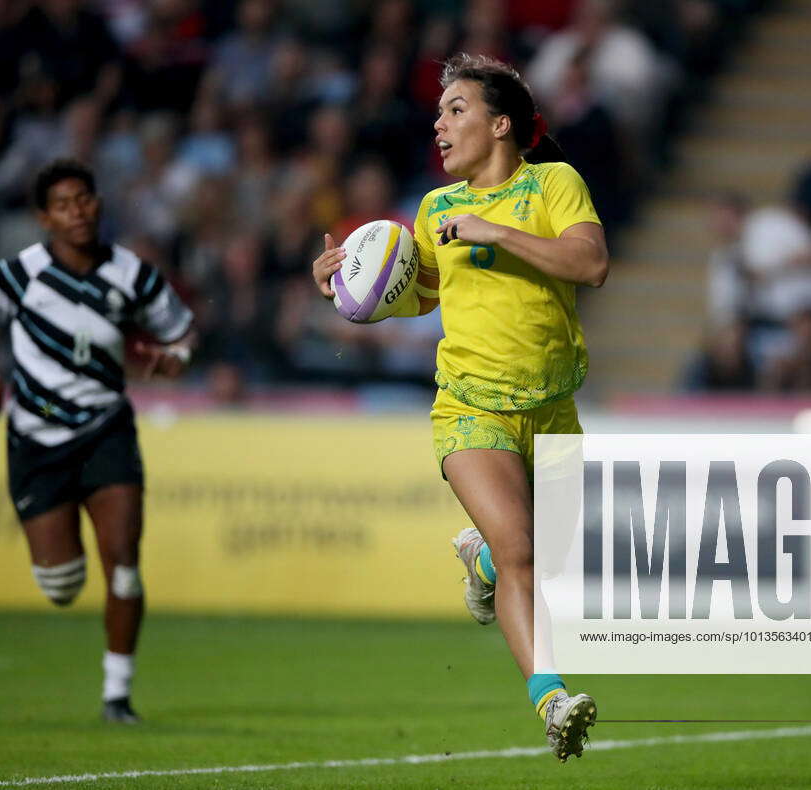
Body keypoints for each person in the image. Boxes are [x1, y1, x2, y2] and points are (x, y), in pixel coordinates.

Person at [312, 53, 609, 761]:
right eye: (439, 112)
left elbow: (590, 264)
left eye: (456, 110)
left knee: (542, 557)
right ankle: (554, 699)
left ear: (501, 123)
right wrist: (354, 291)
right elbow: (420, 291)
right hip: (471, 405)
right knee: (526, 554)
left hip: (553, 407)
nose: (439, 125)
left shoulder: (553, 183)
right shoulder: (435, 208)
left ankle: (478, 564)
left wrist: (496, 231)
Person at [0, 159, 195, 723]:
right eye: (62, 204)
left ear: (98, 204)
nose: (77, 212)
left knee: (125, 564)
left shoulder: (132, 273)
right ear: (45, 217)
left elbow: (182, 328)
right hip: (36, 438)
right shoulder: (20, 274)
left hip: (105, 428)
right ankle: (67, 579)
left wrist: (175, 357)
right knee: (61, 584)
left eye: (83, 200)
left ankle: (118, 695)